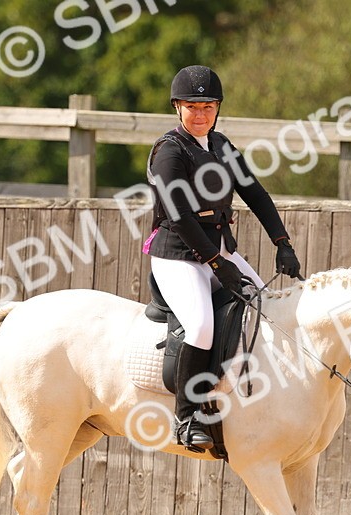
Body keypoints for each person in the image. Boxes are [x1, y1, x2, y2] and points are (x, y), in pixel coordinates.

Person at [144, 64, 303, 452]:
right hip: (178, 256)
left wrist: (282, 242)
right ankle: (187, 417)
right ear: (177, 108)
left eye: (208, 107)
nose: (201, 115)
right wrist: (217, 264)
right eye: (192, 107)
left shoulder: (221, 147)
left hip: (219, 250)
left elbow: (256, 194)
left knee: (264, 307)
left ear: (217, 109)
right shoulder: (169, 152)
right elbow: (180, 217)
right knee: (200, 325)